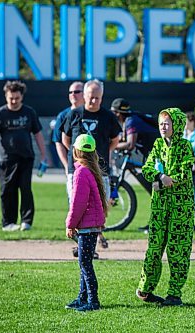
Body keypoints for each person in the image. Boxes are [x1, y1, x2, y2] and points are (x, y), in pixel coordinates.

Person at [135, 108, 195, 307]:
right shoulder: (158, 144)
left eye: (167, 123)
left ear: (176, 126)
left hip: (181, 206)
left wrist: (166, 181)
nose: (163, 127)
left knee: (178, 250)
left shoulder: (185, 146)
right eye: (161, 123)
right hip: (160, 205)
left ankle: (174, 294)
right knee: (154, 247)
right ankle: (145, 288)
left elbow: (185, 172)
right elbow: (147, 168)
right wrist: (161, 177)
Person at [62, 79, 121, 253]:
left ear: (102, 97)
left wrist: (97, 158)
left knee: (99, 207)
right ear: (84, 95)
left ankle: (91, 244)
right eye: (90, 97)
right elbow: (66, 139)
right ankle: (81, 245)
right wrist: (80, 158)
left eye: (97, 97)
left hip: (100, 170)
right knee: (77, 204)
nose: (93, 101)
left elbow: (115, 140)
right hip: (77, 171)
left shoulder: (108, 117)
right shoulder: (74, 114)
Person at [0, 80, 46, 231]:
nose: (14, 101)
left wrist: (43, 155)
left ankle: (26, 222)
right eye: (11, 98)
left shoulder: (29, 113)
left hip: (26, 158)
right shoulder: (0, 114)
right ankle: (8, 223)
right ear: (6, 96)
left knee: (26, 189)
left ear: (22, 96)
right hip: (6, 160)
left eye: (17, 98)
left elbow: (38, 135)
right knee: (7, 191)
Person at [65, 134, 107, 312]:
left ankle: (93, 301)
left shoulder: (81, 172)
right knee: (85, 262)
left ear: (76, 151)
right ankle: (82, 298)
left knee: (85, 264)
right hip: (91, 225)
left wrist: (70, 223)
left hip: (86, 227)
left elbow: (78, 203)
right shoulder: (89, 170)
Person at [53, 81, 85, 172]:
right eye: (70, 92)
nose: (73, 94)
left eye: (77, 92)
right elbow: (59, 142)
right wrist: (66, 165)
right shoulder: (63, 116)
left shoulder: (91, 113)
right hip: (73, 163)